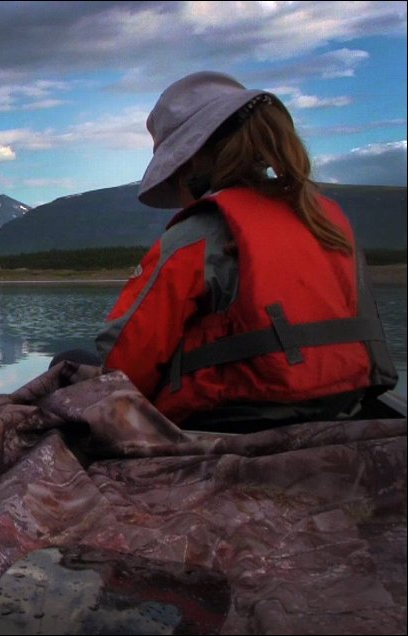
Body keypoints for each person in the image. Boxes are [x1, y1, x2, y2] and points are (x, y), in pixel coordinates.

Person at [93, 71, 398, 431]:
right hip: (342, 407)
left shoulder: (197, 234)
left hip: (230, 420)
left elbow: (126, 364)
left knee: (70, 363)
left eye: (175, 171)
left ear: (194, 161)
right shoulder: (328, 222)